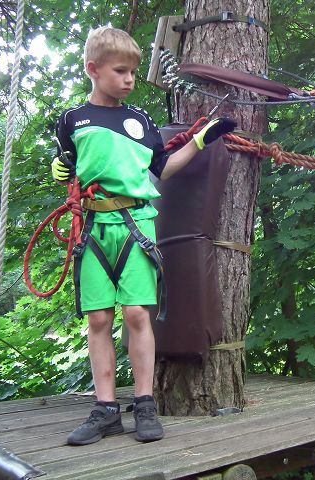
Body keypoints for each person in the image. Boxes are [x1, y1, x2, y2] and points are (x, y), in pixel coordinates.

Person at [51, 26, 236, 446]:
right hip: (93, 227)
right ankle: (105, 410)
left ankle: (145, 403)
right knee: (98, 318)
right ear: (93, 69)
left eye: (133, 72)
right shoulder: (72, 120)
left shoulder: (140, 121)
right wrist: (59, 169)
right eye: (120, 71)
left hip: (136, 224)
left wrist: (200, 142)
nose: (130, 79)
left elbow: (162, 169)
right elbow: (68, 164)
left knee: (136, 313)